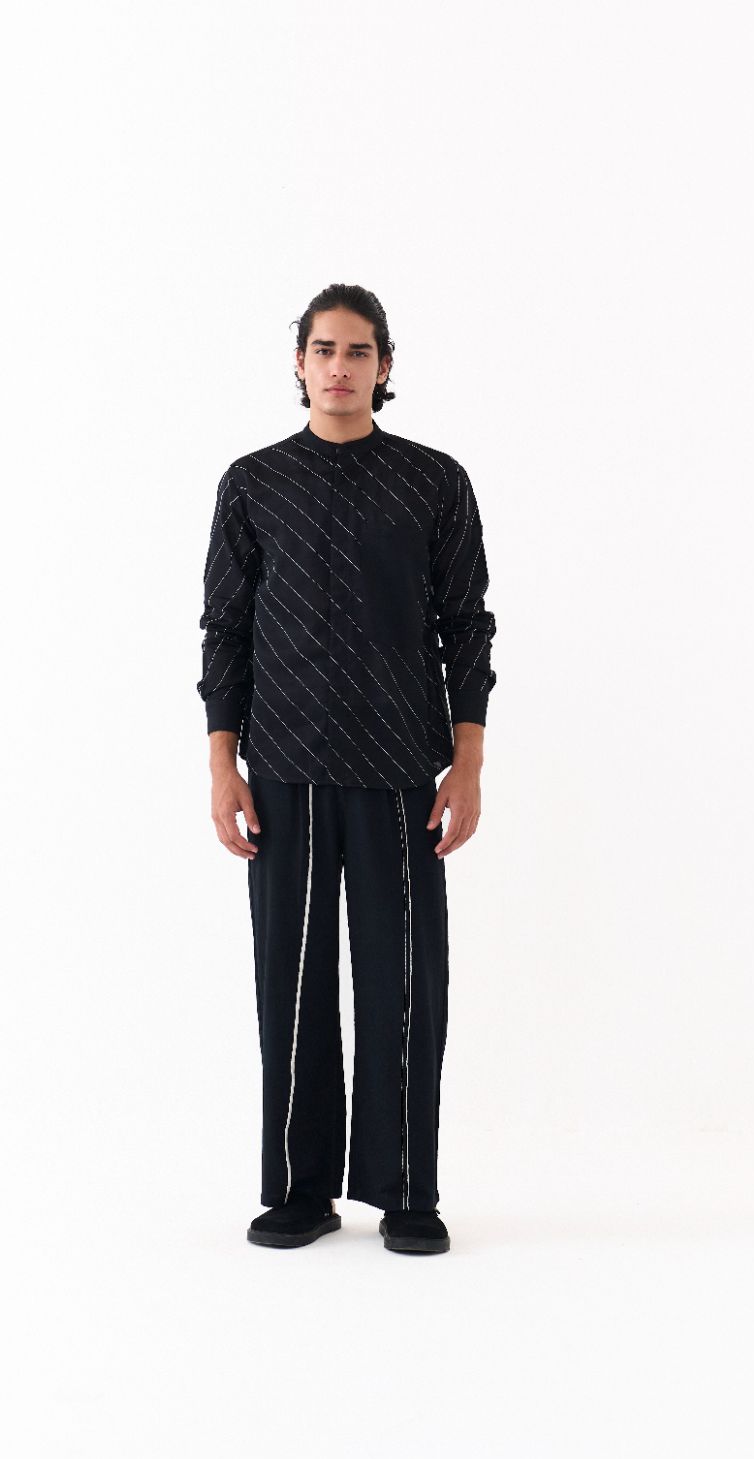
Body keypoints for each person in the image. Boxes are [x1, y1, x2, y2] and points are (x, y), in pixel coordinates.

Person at [196, 283, 497, 1254]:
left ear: (385, 365)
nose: (338, 366)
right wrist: (222, 765)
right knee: (289, 981)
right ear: (298, 362)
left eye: (357, 351)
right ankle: (298, 1188)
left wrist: (466, 765)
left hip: (401, 766)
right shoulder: (253, 483)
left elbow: (467, 626)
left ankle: (407, 1191)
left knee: (403, 981)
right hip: (283, 767)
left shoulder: (432, 481)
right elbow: (225, 629)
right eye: (323, 349)